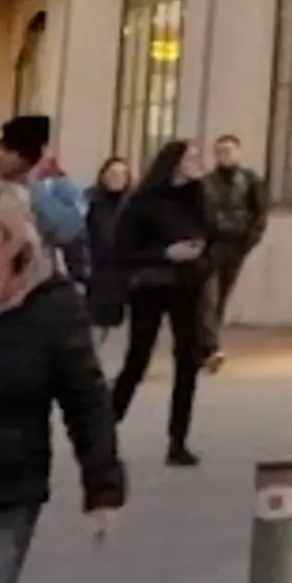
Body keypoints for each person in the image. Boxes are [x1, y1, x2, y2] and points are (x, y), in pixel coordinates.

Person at [0, 176, 124, 583]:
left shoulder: (52, 305)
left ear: (13, 239)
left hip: (7, 491)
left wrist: (102, 483)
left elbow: (85, 396)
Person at [103, 141, 211, 466]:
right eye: (191, 157)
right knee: (138, 357)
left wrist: (200, 253)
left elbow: (212, 233)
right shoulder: (142, 203)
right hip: (151, 285)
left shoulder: (198, 197)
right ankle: (104, 429)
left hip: (189, 284)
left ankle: (178, 441)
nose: (197, 162)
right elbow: (122, 251)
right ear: (174, 162)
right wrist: (165, 253)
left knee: (188, 360)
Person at [198, 137, 267, 371]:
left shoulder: (250, 180)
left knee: (220, 298)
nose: (224, 155)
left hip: (236, 246)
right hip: (210, 247)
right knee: (209, 297)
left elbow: (259, 213)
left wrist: (249, 241)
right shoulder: (205, 183)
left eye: (229, 150)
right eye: (220, 151)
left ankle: (206, 346)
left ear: (238, 152)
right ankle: (211, 347)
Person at [0, 129, 79, 285]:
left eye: (7, 150)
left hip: (39, 286)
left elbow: (64, 232)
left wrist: (34, 182)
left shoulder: (57, 187)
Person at [75, 165, 130, 367]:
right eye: (112, 173)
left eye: (122, 174)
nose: (117, 178)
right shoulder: (90, 201)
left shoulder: (131, 203)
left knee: (112, 320)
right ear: (103, 175)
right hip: (96, 269)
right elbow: (78, 233)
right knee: (93, 319)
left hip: (121, 271)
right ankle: (87, 362)